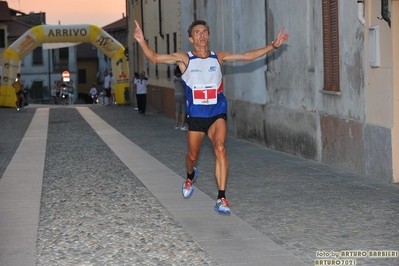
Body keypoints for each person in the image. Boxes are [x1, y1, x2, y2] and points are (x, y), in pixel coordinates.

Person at [133, 19, 288, 214]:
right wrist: (141, 41)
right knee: (192, 157)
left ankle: (221, 198)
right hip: (196, 117)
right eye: (197, 32)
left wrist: (273, 46)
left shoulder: (218, 57)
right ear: (191, 38)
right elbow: (154, 58)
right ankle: (190, 175)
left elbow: (247, 56)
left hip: (216, 113)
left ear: (209, 36)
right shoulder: (184, 59)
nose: (202, 35)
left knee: (220, 149)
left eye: (205, 31)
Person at [173, 66, 187, 131]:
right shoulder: (183, 78)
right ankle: (182, 125)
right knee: (183, 110)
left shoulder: (174, 78)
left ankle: (176, 125)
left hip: (176, 94)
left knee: (177, 110)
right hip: (183, 94)